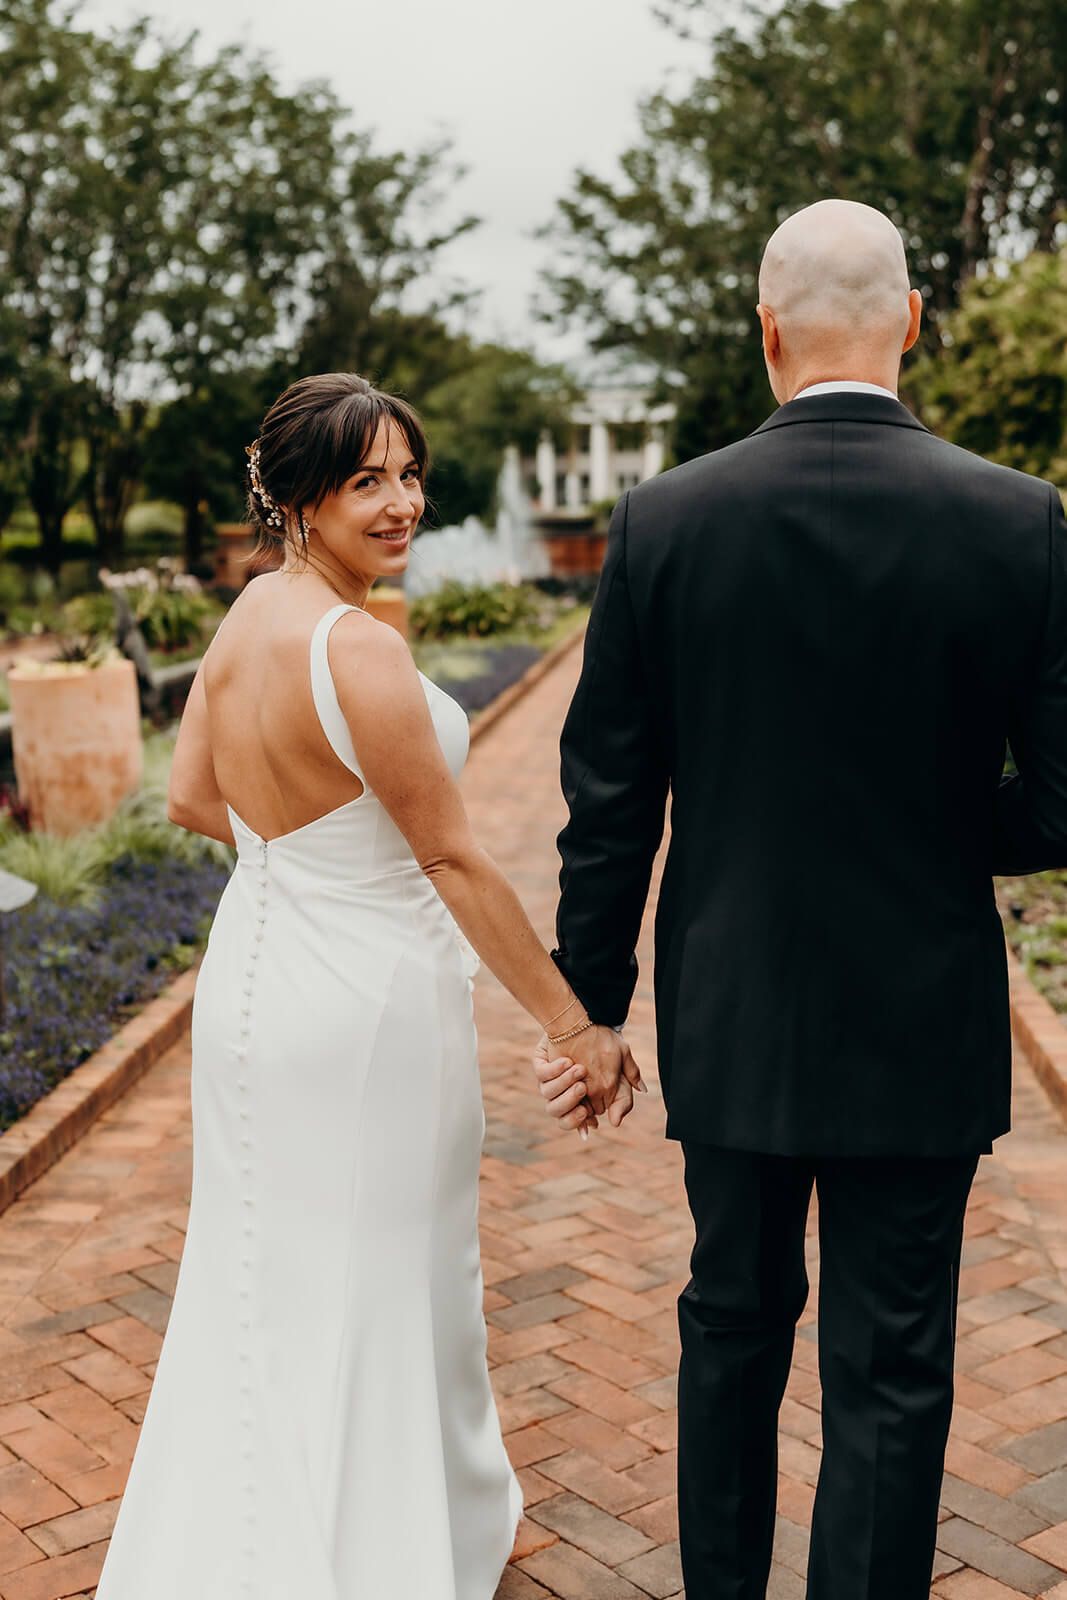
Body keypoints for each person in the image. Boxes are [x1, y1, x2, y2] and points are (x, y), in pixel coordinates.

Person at [534, 200, 1067, 1598]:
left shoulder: (662, 520)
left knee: (728, 1323)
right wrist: (934, 830)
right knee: (890, 1363)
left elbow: (609, 801)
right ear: (911, 323)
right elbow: (1061, 801)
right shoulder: (1018, 518)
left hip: (735, 1002)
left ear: (763, 330)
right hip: (920, 1012)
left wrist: (591, 1007)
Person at [93, 372, 639, 1600]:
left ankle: (252, 1541)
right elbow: (452, 859)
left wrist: (304, 859)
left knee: (264, 1262)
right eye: (365, 482)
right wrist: (575, 1026)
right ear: (297, 499)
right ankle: (379, 1552)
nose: (401, 504)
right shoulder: (357, 646)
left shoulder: (248, 616)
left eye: (408, 475)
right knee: (390, 1265)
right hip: (366, 1002)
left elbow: (191, 797)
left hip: (257, 977)